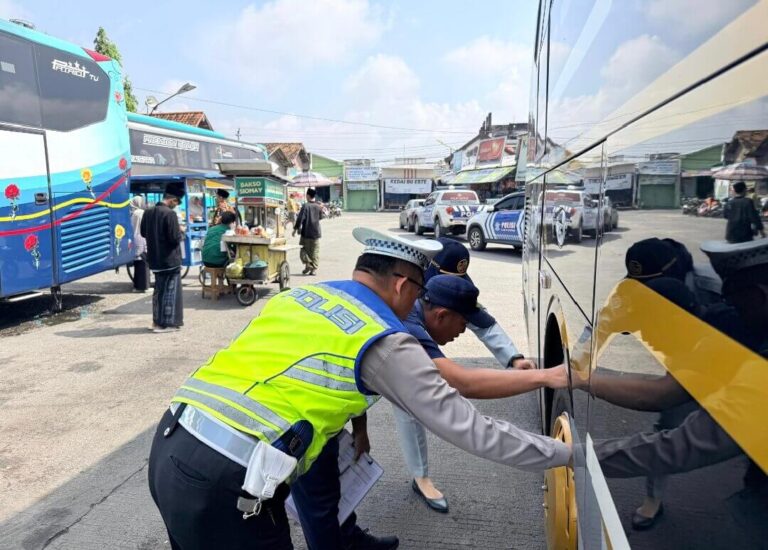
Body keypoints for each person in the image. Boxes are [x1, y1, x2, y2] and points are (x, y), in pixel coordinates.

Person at [147, 227, 572, 550]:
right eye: (420, 294)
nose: (418, 307)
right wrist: (571, 455)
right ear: (404, 285)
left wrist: (360, 427)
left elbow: (314, 373)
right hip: (227, 484)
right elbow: (474, 430)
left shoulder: (300, 298)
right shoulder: (386, 338)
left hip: (171, 442)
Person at [393, 238, 537, 512]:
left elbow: (481, 320)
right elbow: (457, 381)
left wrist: (514, 358)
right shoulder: (406, 299)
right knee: (409, 403)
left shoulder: (443, 290)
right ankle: (420, 476)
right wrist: (539, 378)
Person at [140, 182, 185, 333]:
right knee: (170, 292)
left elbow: (143, 233)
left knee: (159, 291)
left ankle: (156, 322)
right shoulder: (169, 214)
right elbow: (174, 238)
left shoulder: (148, 212)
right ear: (172, 200)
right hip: (170, 259)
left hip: (154, 259)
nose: (176, 206)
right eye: (177, 203)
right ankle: (166, 324)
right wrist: (181, 232)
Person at [293, 188, 325, 276]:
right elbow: (321, 217)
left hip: (306, 232)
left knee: (303, 250)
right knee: (314, 251)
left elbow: (300, 218)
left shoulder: (306, 206)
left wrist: (296, 228)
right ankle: (312, 269)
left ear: (307, 195)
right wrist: (320, 209)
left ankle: (308, 264)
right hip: (316, 233)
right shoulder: (318, 206)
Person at [129, 195, 150, 293]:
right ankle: (143, 287)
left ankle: (137, 286)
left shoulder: (133, 213)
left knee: (138, 263)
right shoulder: (140, 213)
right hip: (141, 238)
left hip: (135, 238)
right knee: (143, 263)